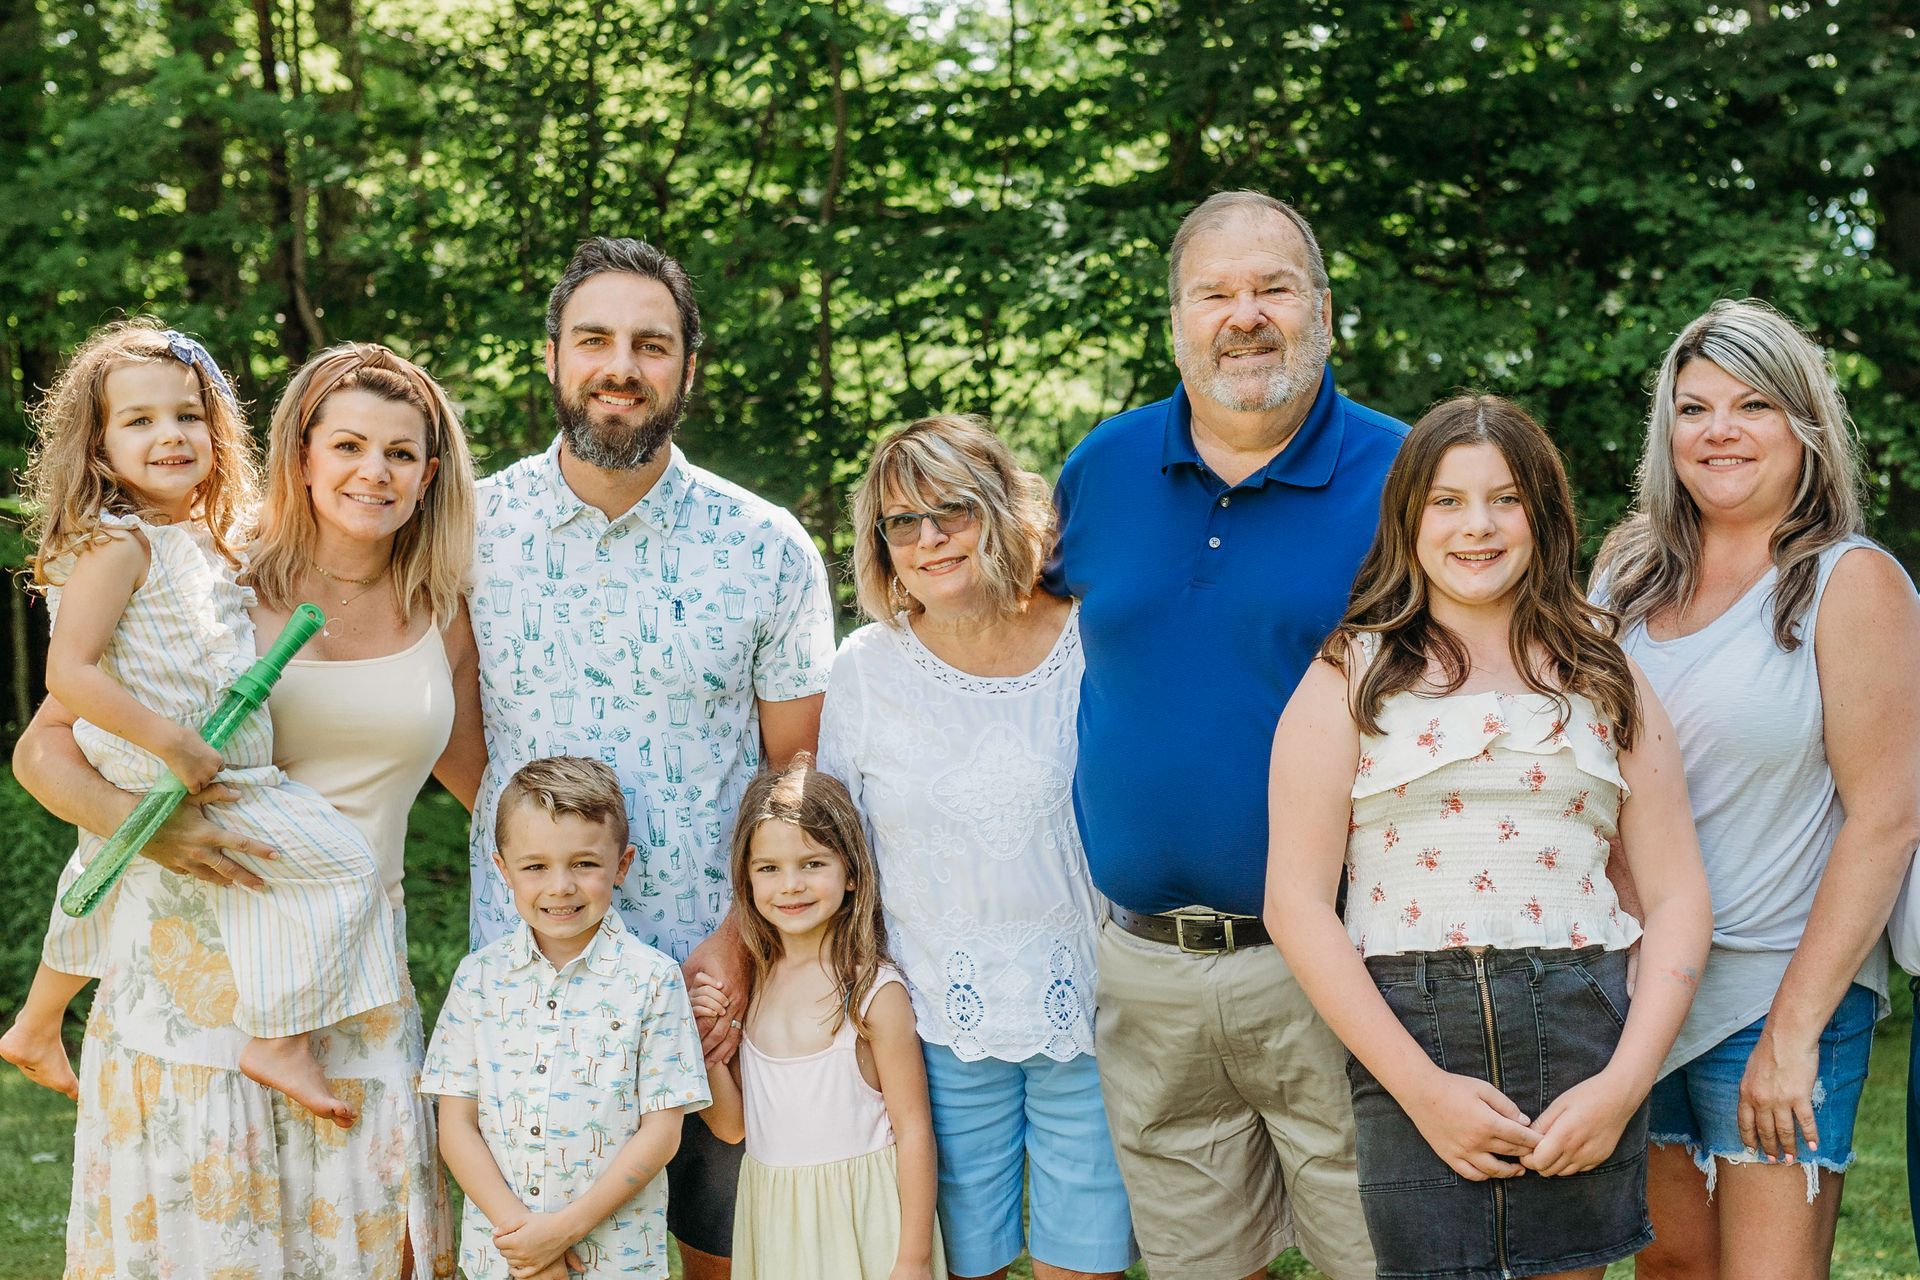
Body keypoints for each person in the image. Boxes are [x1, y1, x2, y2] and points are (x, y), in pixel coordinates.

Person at [12, 336, 480, 1278]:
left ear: (430, 475)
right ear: (299, 453)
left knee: (359, 1242)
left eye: (398, 453)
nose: (371, 473)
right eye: (344, 445)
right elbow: (44, 746)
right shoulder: (219, 570)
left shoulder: (444, 602)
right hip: (190, 985)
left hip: (350, 973)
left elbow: (483, 781)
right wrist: (147, 821)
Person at [1042, 189, 1406, 1279]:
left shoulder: (1408, 475)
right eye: (1216, 293)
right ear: (1176, 322)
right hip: (1150, 964)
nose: (1244, 316)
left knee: (1379, 1254)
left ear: (1327, 311)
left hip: (1341, 963)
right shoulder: (1099, 470)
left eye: (1273, 288)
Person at [1264, 395, 1712, 1280]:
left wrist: (1624, 1087)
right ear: (1407, 519)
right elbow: (1296, 903)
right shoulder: (1349, 675)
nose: (1478, 526)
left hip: (1582, 1035)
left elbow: (1679, 896)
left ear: (1543, 518)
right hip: (1410, 1040)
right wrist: (1422, 1092)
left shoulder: (1601, 672)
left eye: (1505, 499)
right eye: (1447, 501)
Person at [468, 234, 836, 1276]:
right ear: (552, 356)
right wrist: (532, 853)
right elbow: (457, 734)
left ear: (685, 367)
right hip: (534, 971)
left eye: (650, 343)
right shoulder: (473, 529)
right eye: (593, 339)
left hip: (721, 977)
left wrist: (737, 930)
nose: (619, 365)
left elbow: (794, 772)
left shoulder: (765, 546)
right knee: (557, 1252)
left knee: (726, 1249)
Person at [2, 320, 404, 1125]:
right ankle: (279, 1035)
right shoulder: (120, 545)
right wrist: (172, 743)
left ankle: (35, 1025)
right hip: (179, 754)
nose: (170, 436)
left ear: (218, 430)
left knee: (98, 876)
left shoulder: (201, 539)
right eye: (139, 421)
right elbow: (67, 674)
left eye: (187, 416)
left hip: (182, 754)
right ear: (98, 444)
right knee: (345, 871)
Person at [1592, 299, 1920, 1277]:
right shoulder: (1625, 574)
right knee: (1673, 1267)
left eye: (1753, 404)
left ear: (1805, 426)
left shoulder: (1850, 582)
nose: (1720, 430)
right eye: (1695, 408)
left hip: (1780, 987)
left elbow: (1886, 816)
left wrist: (1794, 1031)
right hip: (1638, 990)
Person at [818, 414, 1135, 1280]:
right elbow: (841, 854)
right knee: (962, 1263)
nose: (928, 539)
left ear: (1001, 511)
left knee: (1090, 1264)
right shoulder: (864, 669)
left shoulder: (1093, 639)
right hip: (935, 1020)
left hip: (1097, 1012)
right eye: (901, 523)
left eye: (950, 510)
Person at [426, 756, 710, 1280]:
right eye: (535, 866)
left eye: (583, 863)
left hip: (615, 1256)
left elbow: (662, 1131)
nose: (560, 886)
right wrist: (528, 1242)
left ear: (621, 866)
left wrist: (562, 1232)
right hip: (505, 1257)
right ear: (503, 868)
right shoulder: (478, 979)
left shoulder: (653, 980)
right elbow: (456, 1126)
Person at [693, 756, 944, 1280]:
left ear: (850, 873)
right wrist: (704, 1051)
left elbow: (914, 1129)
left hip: (863, 1222)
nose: (791, 885)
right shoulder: (753, 986)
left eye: (813, 864)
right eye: (769, 868)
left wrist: (913, 1259)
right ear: (746, 879)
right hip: (777, 1222)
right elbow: (734, 1127)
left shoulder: (872, 992)